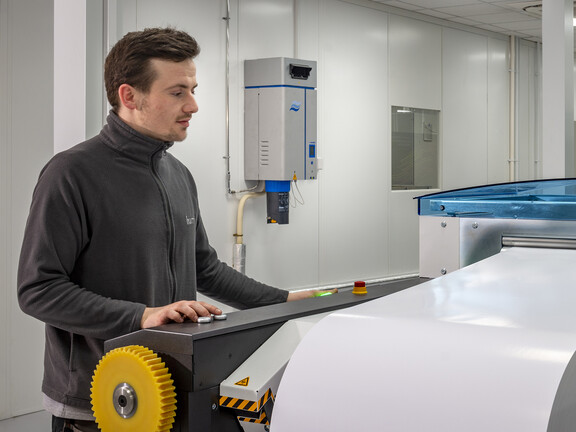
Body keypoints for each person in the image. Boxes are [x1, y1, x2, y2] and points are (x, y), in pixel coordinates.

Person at [17, 27, 332, 432]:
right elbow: (39, 290)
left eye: (193, 90)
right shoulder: (71, 174)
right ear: (130, 96)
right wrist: (142, 316)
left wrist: (283, 301)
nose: (193, 105)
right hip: (101, 401)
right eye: (177, 92)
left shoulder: (177, 174)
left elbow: (204, 268)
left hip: (169, 392)